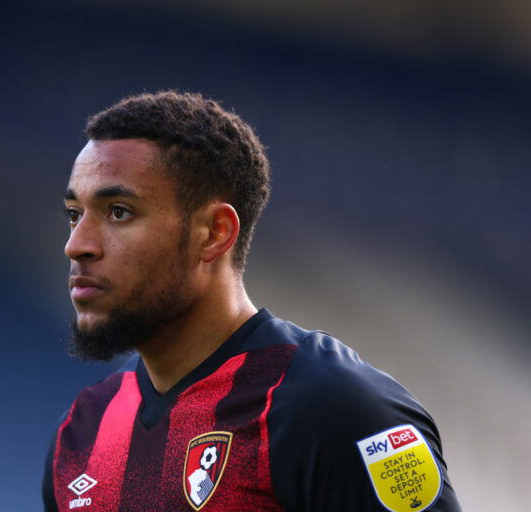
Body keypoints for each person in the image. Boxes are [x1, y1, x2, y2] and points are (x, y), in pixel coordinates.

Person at [43, 91, 461, 512]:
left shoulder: (339, 411)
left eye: (119, 211)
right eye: (75, 214)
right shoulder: (82, 432)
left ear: (214, 233)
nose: (76, 245)